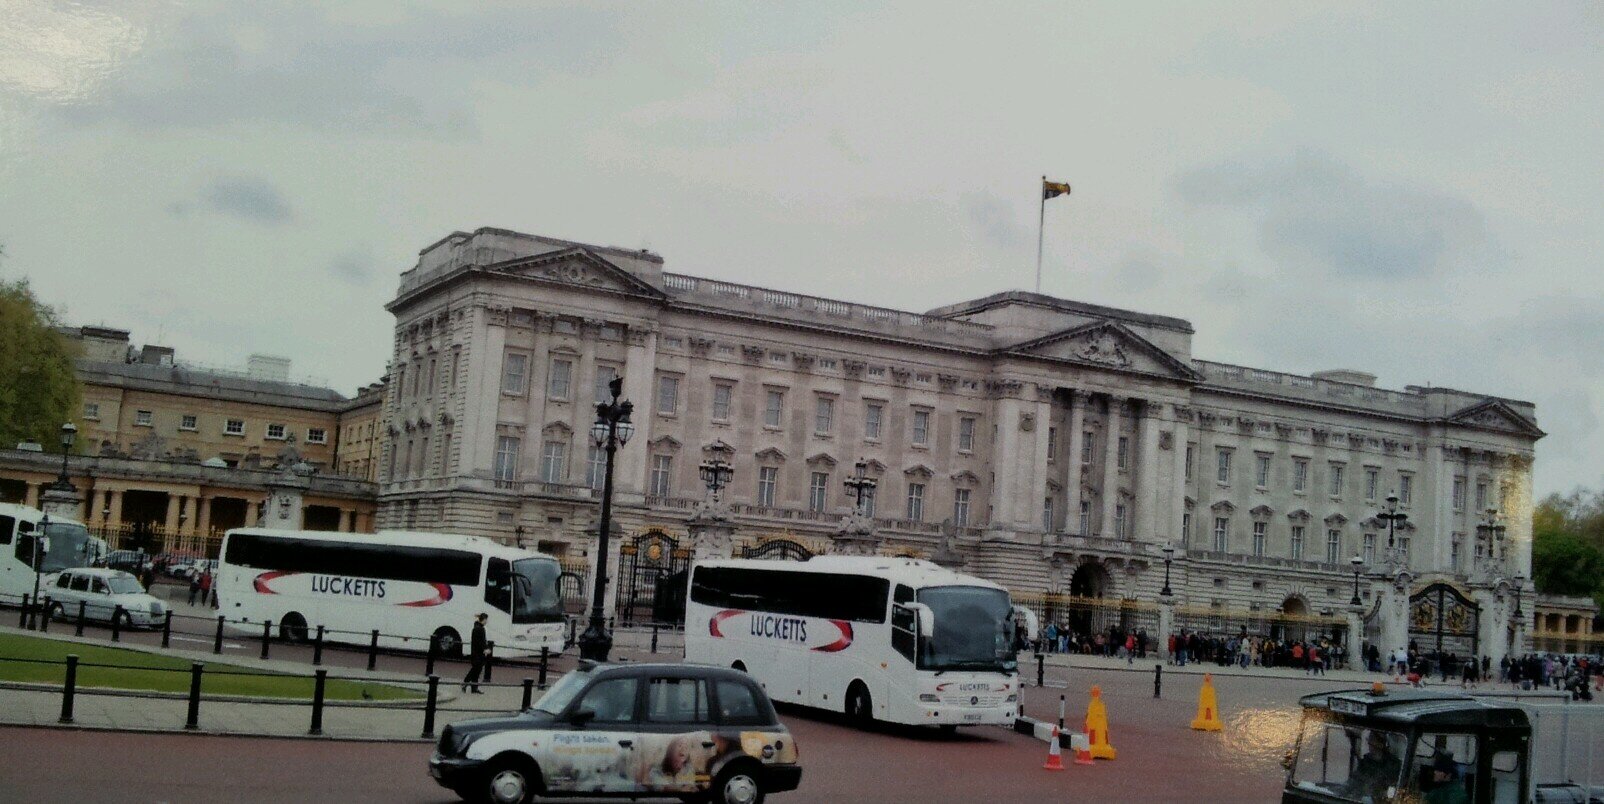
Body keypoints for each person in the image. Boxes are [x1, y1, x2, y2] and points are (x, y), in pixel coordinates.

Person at [1340, 731, 1402, 803]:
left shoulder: (1394, 765)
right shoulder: (1365, 762)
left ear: (1381, 744)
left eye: (1372, 742)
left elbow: (1393, 791)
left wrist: (1377, 796)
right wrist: (1342, 789)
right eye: (1369, 741)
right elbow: (1355, 779)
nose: (1369, 745)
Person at [462, 613, 489, 694]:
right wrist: (485, 649)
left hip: (475, 653)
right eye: (486, 619)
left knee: (476, 670)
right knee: (476, 670)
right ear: (483, 620)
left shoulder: (476, 627)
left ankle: (473, 687)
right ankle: (466, 683)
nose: (487, 621)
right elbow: (481, 642)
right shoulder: (480, 629)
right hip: (478, 654)